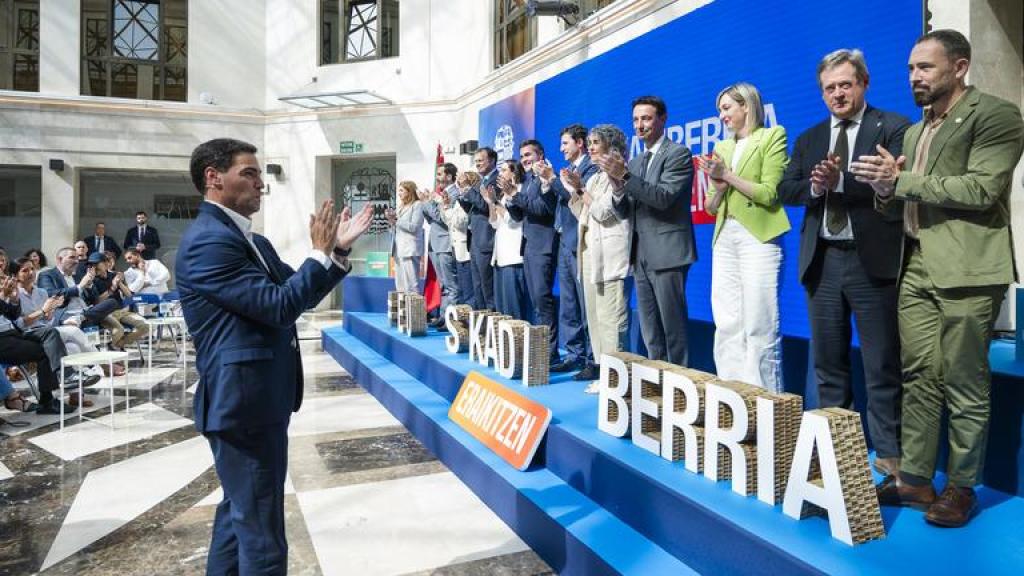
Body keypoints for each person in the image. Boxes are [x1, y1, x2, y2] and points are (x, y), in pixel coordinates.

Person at [851, 30, 1024, 527]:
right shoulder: (913, 132)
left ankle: (963, 486)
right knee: (919, 376)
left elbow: (981, 189)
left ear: (960, 67)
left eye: (925, 67)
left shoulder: (996, 115)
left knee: (964, 380)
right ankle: (916, 479)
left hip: (969, 267)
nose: (914, 77)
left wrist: (901, 181)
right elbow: (902, 199)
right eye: (910, 68)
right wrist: (886, 189)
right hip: (917, 264)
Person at [177, 137, 372, 574]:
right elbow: (278, 307)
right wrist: (319, 252)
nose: (260, 184)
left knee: (239, 516)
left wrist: (336, 252)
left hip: (258, 401)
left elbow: (299, 294)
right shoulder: (208, 242)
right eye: (248, 173)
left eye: (259, 174)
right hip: (242, 405)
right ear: (213, 178)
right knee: (263, 539)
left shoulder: (253, 241)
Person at [778, 49, 910, 477]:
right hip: (823, 263)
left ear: (864, 84)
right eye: (829, 87)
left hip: (872, 264)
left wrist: (841, 181)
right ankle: (839, 456)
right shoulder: (810, 138)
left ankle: (890, 459)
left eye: (845, 85)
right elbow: (786, 188)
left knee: (882, 365)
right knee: (829, 364)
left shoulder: (893, 128)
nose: (838, 93)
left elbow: (895, 185)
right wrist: (816, 188)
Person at [697, 82, 790, 393]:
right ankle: (731, 396)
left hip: (758, 238)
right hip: (725, 236)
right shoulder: (722, 148)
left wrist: (727, 176)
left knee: (760, 322)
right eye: (720, 110)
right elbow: (711, 206)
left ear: (746, 106)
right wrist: (719, 187)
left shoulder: (772, 136)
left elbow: (769, 193)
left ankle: (767, 401)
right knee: (727, 322)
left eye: (726, 108)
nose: (722, 115)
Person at [600, 95, 696, 366]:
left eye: (646, 118)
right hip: (640, 254)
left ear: (662, 119)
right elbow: (625, 211)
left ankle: (679, 380)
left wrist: (624, 176)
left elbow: (663, 198)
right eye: (635, 120)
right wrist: (617, 187)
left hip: (667, 253)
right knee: (650, 329)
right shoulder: (636, 161)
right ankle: (657, 381)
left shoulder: (678, 153)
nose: (639, 125)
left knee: (673, 327)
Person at [567, 124, 631, 393]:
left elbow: (604, 212)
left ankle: (617, 380)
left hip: (612, 255)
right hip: (590, 253)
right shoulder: (594, 178)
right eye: (590, 142)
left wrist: (582, 191)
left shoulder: (621, 172)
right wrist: (577, 189)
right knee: (594, 317)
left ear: (610, 145)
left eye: (595, 142)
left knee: (611, 320)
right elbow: (582, 213)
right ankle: (604, 373)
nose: (591, 147)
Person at [547, 124, 599, 379]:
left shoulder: (591, 168)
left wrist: (553, 181)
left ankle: (592, 358)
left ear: (580, 143)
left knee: (585, 303)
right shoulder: (569, 170)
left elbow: (577, 201)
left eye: (565, 143)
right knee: (568, 304)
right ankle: (573, 354)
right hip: (564, 241)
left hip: (581, 241)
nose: (561, 149)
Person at [508, 139, 563, 367]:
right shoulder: (529, 179)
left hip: (544, 246)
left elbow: (543, 209)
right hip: (530, 246)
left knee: (542, 299)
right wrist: (510, 197)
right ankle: (542, 350)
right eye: (522, 156)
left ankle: (550, 353)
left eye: (528, 155)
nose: (524, 160)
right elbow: (520, 215)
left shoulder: (546, 176)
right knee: (536, 301)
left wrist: (516, 195)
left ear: (540, 155)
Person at [0, 270, 73, 415]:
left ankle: (64, 379)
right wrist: (3, 295)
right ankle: (49, 399)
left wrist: (14, 299)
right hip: (2, 339)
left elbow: (11, 314)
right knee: (43, 351)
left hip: (12, 334)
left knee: (50, 337)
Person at [38, 247, 120, 330]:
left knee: (112, 302)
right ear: (60, 259)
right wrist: (79, 287)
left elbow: (94, 300)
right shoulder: (47, 274)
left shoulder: (78, 276)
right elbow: (49, 294)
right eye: (72, 257)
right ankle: (84, 320)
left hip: (86, 312)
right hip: (66, 315)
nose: (76, 261)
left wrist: (89, 285)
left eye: (77, 258)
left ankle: (81, 318)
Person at [488, 160, 531, 321]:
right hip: (500, 257)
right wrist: (492, 202)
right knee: (502, 308)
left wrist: (496, 203)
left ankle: (516, 336)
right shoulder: (503, 195)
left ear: (514, 172)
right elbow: (494, 223)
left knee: (513, 308)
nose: (500, 173)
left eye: (504, 170)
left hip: (513, 257)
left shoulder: (519, 191)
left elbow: (513, 221)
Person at [458, 148, 499, 310]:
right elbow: (472, 208)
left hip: (486, 239)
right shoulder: (480, 181)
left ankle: (491, 319)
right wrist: (462, 193)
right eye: (476, 161)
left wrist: (468, 189)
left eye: (480, 160)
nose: (477, 164)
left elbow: (485, 205)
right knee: (478, 286)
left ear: (492, 160)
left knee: (487, 286)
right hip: (475, 240)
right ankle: (480, 319)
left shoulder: (496, 180)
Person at [86, 251, 150, 351]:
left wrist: (119, 283)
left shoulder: (113, 275)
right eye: (91, 265)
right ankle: (115, 347)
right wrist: (113, 287)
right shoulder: (91, 280)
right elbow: (97, 302)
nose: (93, 267)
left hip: (121, 311)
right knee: (119, 329)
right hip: (105, 314)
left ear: (106, 264)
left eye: (96, 264)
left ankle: (117, 344)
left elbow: (129, 295)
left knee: (145, 326)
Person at [421, 163, 459, 327]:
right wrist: (426, 204)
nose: (437, 178)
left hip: (445, 243)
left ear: (449, 176)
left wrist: (428, 203)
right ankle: (443, 316)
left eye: (440, 174)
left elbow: (443, 219)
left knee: (451, 286)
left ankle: (451, 320)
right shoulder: (441, 194)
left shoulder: (454, 193)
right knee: (443, 284)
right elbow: (432, 219)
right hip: (435, 243)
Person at [387, 181, 424, 294]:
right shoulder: (400, 206)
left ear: (409, 191)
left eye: (401, 190)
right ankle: (402, 305)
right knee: (400, 286)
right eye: (399, 190)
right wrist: (391, 221)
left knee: (412, 285)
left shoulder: (417, 205)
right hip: (398, 249)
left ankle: (414, 304)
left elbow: (414, 227)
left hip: (409, 250)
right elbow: (396, 228)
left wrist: (396, 220)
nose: (399, 193)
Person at [448, 171, 477, 308]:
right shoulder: (459, 199)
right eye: (458, 183)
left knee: (468, 288)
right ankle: (462, 314)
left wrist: (451, 216)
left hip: (466, 249)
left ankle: (469, 313)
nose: (459, 186)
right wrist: (446, 207)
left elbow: (462, 222)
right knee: (461, 287)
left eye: (461, 183)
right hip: (456, 247)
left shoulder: (469, 199)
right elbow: (449, 221)